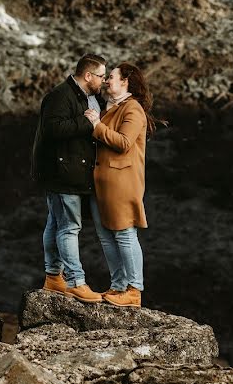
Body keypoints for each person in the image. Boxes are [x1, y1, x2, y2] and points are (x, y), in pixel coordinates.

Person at [31, 54, 108, 303]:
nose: (104, 81)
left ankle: (53, 277)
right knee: (69, 227)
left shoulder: (92, 97)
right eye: (101, 76)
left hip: (71, 172)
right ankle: (76, 281)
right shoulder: (60, 96)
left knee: (56, 223)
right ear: (88, 76)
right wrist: (86, 123)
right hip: (63, 174)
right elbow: (52, 130)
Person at [84, 62, 156, 308]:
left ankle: (134, 289)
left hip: (122, 183)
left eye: (111, 77)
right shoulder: (110, 107)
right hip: (101, 182)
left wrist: (96, 126)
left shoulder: (132, 109)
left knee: (125, 234)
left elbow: (124, 142)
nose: (106, 81)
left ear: (125, 81)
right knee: (106, 237)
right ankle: (118, 285)